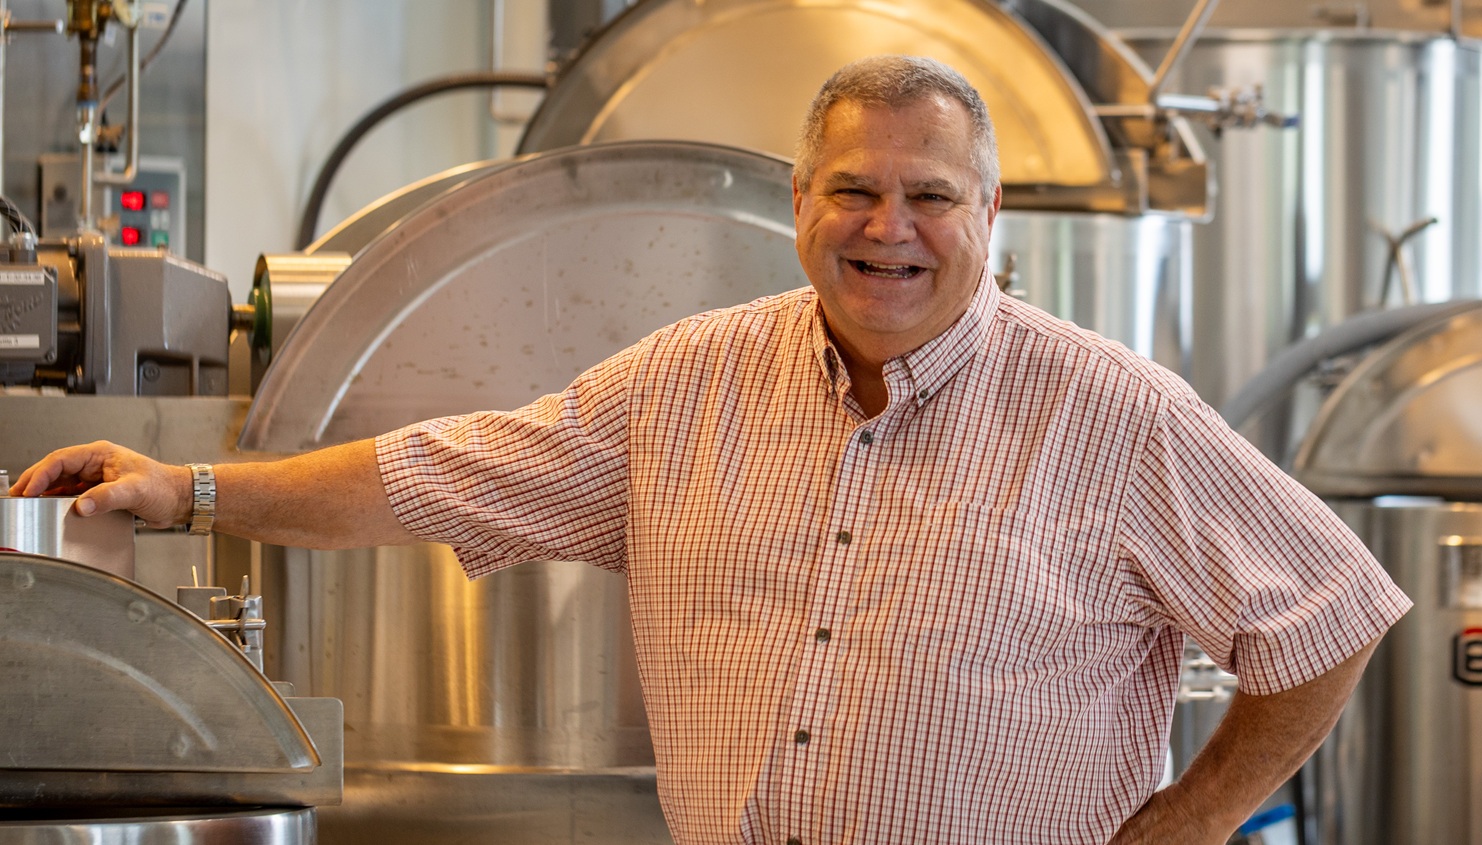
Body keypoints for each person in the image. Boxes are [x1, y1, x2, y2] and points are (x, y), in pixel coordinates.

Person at [11, 56, 1409, 844]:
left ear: (992, 218)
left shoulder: (1108, 412)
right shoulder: (692, 381)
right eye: (854, 190)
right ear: (802, 201)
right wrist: (185, 488)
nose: (888, 227)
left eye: (931, 196)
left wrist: (1191, 819)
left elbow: (1332, 610)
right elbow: (433, 468)